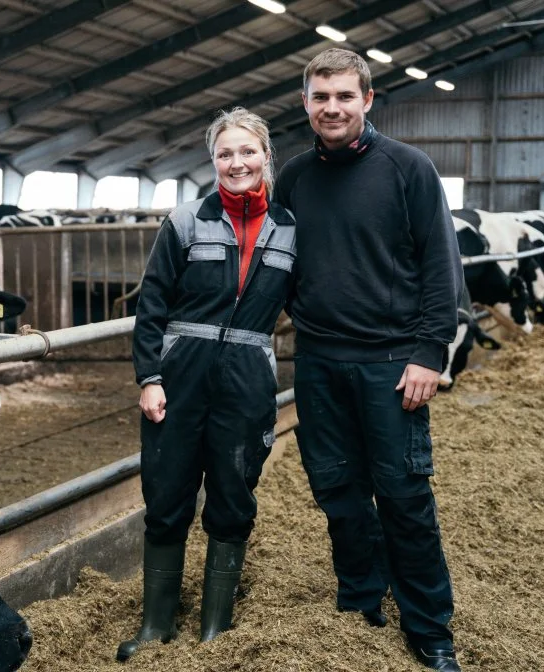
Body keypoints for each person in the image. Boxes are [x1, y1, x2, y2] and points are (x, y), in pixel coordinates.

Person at [272, 48, 463, 672]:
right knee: (337, 489)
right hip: (320, 359)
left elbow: (441, 266)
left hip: (391, 362)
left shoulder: (408, 168)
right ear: (306, 103)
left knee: (404, 494)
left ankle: (429, 626)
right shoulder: (294, 178)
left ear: (368, 100)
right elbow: (273, 266)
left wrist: (429, 352)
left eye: (344, 96)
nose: (332, 107)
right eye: (321, 97)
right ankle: (360, 596)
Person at [120, 107, 296, 661]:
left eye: (247, 152)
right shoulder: (184, 221)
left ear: (266, 157)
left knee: (233, 493)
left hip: (247, 376)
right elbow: (151, 308)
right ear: (212, 159)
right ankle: (156, 627)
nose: (236, 162)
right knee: (167, 493)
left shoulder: (290, 229)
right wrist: (149, 377)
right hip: (180, 373)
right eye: (225, 153)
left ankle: (214, 629)